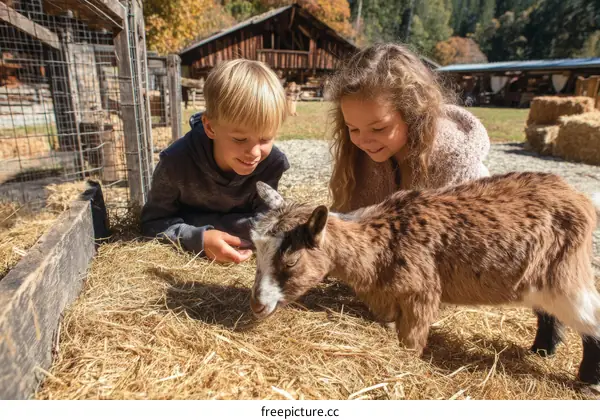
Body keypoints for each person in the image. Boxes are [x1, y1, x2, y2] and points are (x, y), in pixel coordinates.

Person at [141, 59, 289, 263]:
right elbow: (152, 223)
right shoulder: (176, 163)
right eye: (239, 139)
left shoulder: (272, 163)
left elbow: (268, 221)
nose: (254, 152)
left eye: (265, 138)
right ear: (210, 127)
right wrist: (198, 238)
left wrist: (194, 220)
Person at [326, 43, 490, 213]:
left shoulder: (459, 169)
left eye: (379, 128)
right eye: (353, 129)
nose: (363, 140)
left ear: (412, 115)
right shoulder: (357, 160)